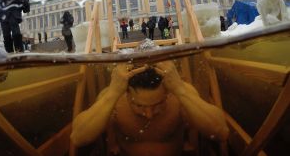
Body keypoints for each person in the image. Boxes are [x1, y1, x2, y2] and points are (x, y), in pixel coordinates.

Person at [71, 61, 229, 156]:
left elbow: (221, 132)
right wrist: (112, 94)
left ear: (168, 91)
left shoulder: (179, 92)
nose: (148, 114)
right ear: (126, 92)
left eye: (158, 104)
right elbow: (78, 137)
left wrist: (180, 90)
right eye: (139, 105)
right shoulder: (114, 98)